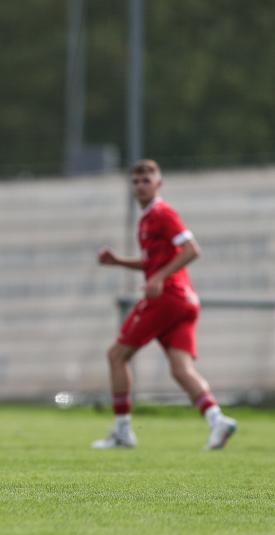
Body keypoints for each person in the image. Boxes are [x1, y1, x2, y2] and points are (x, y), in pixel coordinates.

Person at [93, 159, 237, 450]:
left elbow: (191, 250)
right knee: (180, 368)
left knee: (116, 355)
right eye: (136, 181)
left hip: (168, 298)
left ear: (159, 184)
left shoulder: (161, 213)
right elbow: (153, 262)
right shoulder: (147, 219)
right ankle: (217, 420)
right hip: (184, 300)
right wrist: (120, 262)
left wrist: (159, 277)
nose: (141, 185)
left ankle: (122, 431)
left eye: (147, 179)